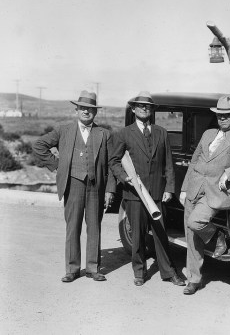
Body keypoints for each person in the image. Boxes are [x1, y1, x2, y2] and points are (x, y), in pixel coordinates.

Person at [179, 95, 230, 295]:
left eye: (227, 115)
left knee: (195, 223)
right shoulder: (207, 134)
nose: (222, 119)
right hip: (194, 188)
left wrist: (229, 172)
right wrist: (184, 188)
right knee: (191, 236)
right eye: (219, 115)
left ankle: (218, 237)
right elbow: (195, 160)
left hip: (216, 192)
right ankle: (193, 279)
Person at [33, 90, 116, 283]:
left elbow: (112, 163)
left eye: (90, 109)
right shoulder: (64, 130)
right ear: (76, 110)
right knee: (73, 227)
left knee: (94, 227)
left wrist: (110, 189)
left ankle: (93, 268)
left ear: (95, 113)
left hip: (96, 187)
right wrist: (58, 166)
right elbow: (39, 146)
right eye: (83, 108)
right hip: (73, 185)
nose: (86, 112)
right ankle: (72, 269)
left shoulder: (104, 134)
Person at [110, 91, 185, 287]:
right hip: (134, 194)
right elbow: (114, 161)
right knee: (137, 235)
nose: (144, 109)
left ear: (152, 110)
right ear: (133, 109)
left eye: (148, 106)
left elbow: (168, 163)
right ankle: (139, 272)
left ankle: (169, 272)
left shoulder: (162, 132)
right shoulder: (124, 134)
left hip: (158, 194)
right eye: (141, 106)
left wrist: (169, 188)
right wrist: (124, 177)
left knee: (161, 234)